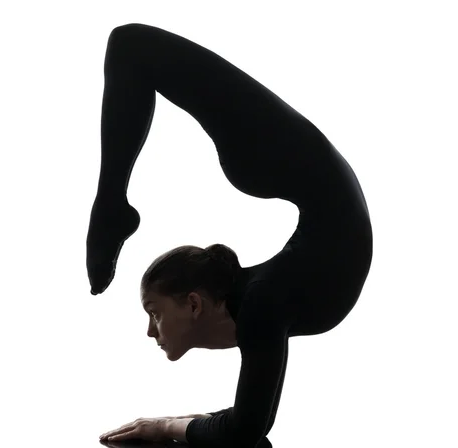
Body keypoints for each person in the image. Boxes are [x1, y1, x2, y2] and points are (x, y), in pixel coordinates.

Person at [89, 23, 373, 448]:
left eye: (153, 311)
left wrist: (167, 427)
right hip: (301, 172)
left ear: (194, 302)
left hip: (289, 164)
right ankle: (110, 207)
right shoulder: (263, 304)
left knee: (131, 46)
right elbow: (247, 431)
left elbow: (243, 430)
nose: (151, 330)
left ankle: (110, 206)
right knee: (131, 48)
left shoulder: (262, 303)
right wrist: (187, 425)